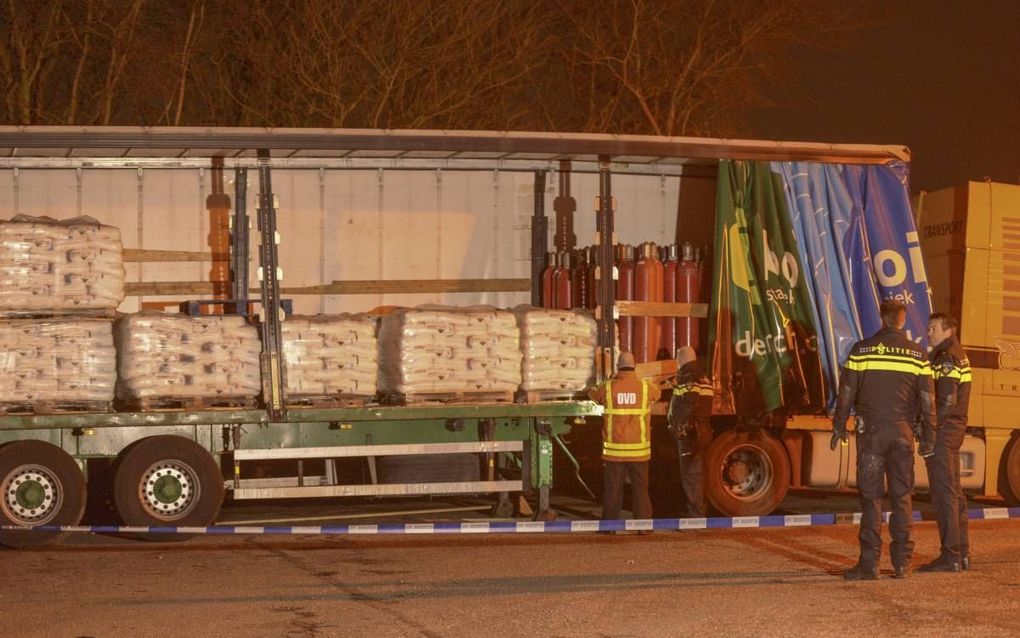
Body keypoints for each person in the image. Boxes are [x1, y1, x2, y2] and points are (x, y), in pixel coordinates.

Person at [831, 301, 936, 580]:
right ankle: (902, 564)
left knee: (871, 498)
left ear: (882, 319)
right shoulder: (918, 354)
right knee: (902, 498)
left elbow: (846, 393)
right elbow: (927, 400)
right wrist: (929, 434)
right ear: (903, 321)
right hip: (902, 435)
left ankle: (870, 565)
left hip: (871, 436)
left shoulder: (861, 350)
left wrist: (839, 425)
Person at [919, 313, 972, 572]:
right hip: (951, 429)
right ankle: (961, 553)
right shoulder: (953, 353)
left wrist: (930, 430)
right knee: (954, 493)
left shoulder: (948, 357)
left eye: (933, 328)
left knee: (944, 495)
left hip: (943, 431)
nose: (928, 332)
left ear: (948, 331)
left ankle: (950, 556)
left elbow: (946, 400)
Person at [588, 351, 661, 525]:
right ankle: (643, 525)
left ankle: (609, 526)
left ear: (617, 367)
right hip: (639, 451)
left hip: (615, 451)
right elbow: (657, 393)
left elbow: (593, 395)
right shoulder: (645, 387)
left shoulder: (607, 387)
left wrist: (595, 386)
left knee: (613, 489)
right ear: (634, 367)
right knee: (640, 489)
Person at [667, 346, 714, 517]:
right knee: (700, 474)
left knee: (691, 475)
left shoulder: (689, 377)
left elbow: (690, 403)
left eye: (678, 360)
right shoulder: (704, 377)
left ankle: (696, 515)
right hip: (703, 430)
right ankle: (699, 510)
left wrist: (676, 424)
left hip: (691, 433)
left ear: (682, 360)